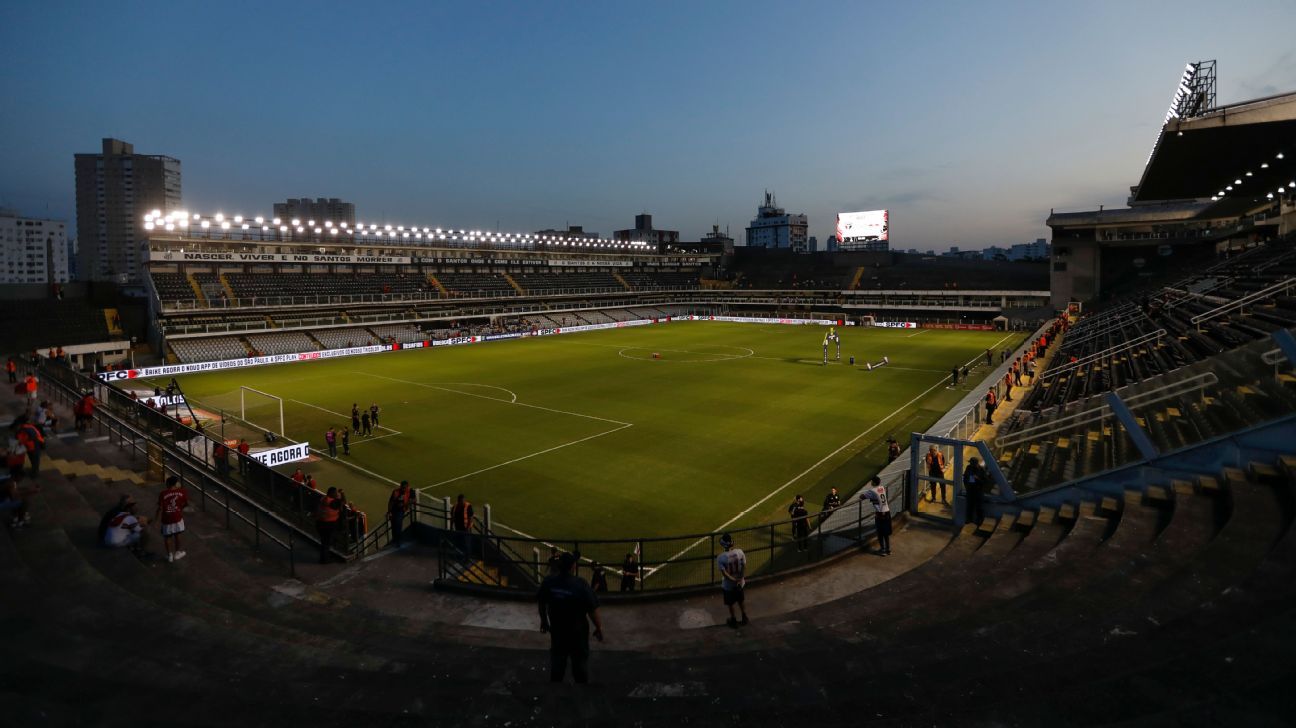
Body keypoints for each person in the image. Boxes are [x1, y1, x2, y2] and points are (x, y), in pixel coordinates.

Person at [537, 551, 603, 684]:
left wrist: (544, 621)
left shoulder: (549, 582)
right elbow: (592, 610)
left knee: (557, 667)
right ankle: (581, 695)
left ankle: (554, 694)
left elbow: (541, 602)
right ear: (573, 567)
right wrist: (599, 627)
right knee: (580, 668)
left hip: (557, 632)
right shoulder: (581, 584)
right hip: (577, 634)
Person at [716, 532, 749, 627]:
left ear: (722, 544)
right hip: (740, 582)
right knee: (740, 600)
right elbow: (743, 566)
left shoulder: (720, 558)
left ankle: (733, 619)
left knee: (730, 603)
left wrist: (733, 580)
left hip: (728, 585)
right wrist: (740, 578)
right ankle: (744, 617)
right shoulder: (740, 552)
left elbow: (724, 574)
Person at [155, 476, 190, 562]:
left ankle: (170, 555)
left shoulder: (163, 493)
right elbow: (186, 503)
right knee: (177, 535)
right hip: (177, 517)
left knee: (167, 537)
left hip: (167, 518)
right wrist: (179, 508)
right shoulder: (182, 491)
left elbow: (160, 508)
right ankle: (177, 553)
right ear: (176, 483)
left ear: (168, 484)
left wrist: (156, 520)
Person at [860, 476, 892, 555]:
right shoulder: (882, 488)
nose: (870, 482)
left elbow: (862, 497)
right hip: (887, 512)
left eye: (871, 481)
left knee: (880, 532)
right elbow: (879, 498)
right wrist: (873, 500)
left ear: (874, 482)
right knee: (886, 533)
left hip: (880, 514)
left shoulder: (872, 491)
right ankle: (888, 549)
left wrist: (870, 499)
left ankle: (882, 550)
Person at [315, 487, 346, 564]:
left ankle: (324, 557)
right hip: (328, 525)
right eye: (335, 493)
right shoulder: (332, 502)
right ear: (331, 494)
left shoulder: (324, 498)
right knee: (327, 542)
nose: (336, 494)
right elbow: (343, 502)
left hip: (320, 523)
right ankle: (324, 560)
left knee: (324, 542)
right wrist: (342, 493)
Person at [962, 456, 988, 526]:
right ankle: (969, 519)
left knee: (979, 507)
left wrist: (978, 479)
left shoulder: (981, 469)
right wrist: (966, 486)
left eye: (971, 463)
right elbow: (965, 477)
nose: (970, 464)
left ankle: (979, 520)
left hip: (978, 491)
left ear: (975, 463)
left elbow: (985, 481)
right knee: (969, 505)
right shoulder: (968, 468)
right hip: (970, 490)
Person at [387, 480, 413, 548]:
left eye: (405, 487)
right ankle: (395, 540)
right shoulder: (396, 492)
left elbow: (413, 499)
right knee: (393, 526)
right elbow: (391, 502)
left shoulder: (410, 492)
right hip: (394, 511)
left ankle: (397, 541)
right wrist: (389, 512)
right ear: (400, 486)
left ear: (407, 487)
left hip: (401, 511)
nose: (404, 489)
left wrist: (406, 505)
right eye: (403, 487)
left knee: (398, 525)